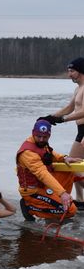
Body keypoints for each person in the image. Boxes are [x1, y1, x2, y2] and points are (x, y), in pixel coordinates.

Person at [38, 57, 84, 206]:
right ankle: (81, 199)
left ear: (81, 71)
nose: (69, 74)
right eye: (69, 71)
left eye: (72, 71)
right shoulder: (78, 88)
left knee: (76, 168)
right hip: (80, 131)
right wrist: (50, 117)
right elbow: (70, 108)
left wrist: (64, 119)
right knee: (72, 165)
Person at [16, 119, 82, 220]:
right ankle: (29, 207)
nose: (42, 139)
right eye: (39, 136)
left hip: (43, 185)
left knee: (68, 172)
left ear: (49, 135)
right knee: (71, 210)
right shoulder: (27, 153)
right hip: (33, 191)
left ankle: (59, 202)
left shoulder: (41, 143)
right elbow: (42, 174)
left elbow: (49, 154)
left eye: (45, 137)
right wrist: (62, 193)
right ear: (33, 134)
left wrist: (63, 158)